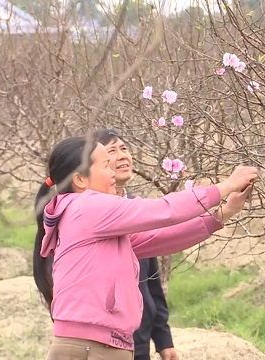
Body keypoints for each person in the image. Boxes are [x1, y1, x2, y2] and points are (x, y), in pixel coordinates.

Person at [32, 134, 258, 359]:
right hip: (94, 347)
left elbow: (160, 238)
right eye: (105, 166)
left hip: (94, 345)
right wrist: (226, 186)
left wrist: (223, 214)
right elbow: (163, 210)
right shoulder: (87, 206)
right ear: (80, 179)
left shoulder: (88, 217)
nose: (113, 173)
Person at [94, 129, 177, 360]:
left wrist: (163, 338)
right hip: (105, 342)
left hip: (140, 340)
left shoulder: (134, 209)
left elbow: (151, 280)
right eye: (112, 151)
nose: (122, 156)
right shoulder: (90, 213)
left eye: (124, 148)